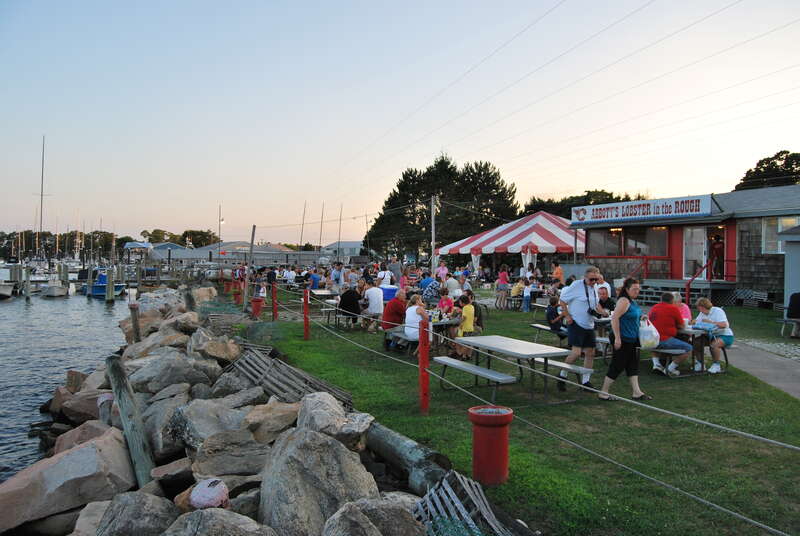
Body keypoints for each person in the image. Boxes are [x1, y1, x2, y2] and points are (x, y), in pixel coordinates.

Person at [598, 278, 651, 401]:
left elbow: (633, 315)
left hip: (631, 338)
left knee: (632, 364)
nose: (637, 291)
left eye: (638, 289)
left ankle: (637, 392)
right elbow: (614, 319)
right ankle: (603, 392)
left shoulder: (632, 301)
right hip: (622, 337)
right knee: (618, 364)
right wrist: (617, 338)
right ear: (627, 289)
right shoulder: (624, 301)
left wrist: (642, 316)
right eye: (634, 289)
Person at [557, 266, 602, 391]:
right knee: (576, 353)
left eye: (596, 279)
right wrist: (567, 316)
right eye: (591, 279)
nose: (594, 282)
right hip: (576, 323)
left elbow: (594, 303)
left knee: (590, 353)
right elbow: (562, 301)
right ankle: (562, 375)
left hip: (589, 324)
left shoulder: (595, 287)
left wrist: (602, 311)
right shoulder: (576, 285)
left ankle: (585, 382)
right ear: (585, 277)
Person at [648, 292, 692, 376]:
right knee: (689, 348)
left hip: (652, 339)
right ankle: (670, 369)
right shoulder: (673, 309)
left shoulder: (654, 307)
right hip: (664, 339)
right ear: (672, 300)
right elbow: (682, 326)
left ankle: (656, 364)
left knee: (658, 343)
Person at [691, 297, 734, 374]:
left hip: (725, 335)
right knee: (695, 343)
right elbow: (697, 321)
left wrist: (710, 322)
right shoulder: (702, 313)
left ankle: (716, 365)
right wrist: (693, 322)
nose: (698, 310)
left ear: (703, 306)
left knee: (714, 345)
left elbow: (724, 325)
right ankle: (701, 364)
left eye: (699, 307)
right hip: (710, 335)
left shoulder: (718, 311)